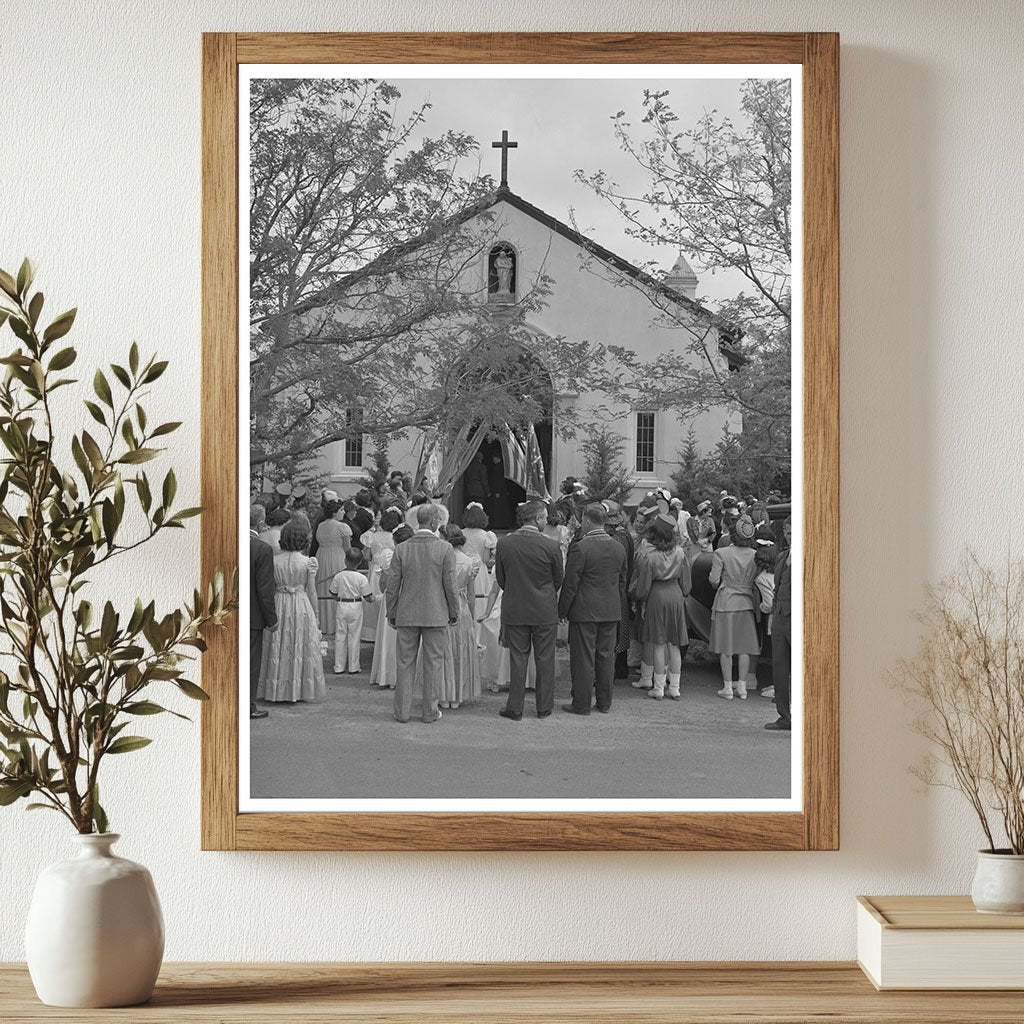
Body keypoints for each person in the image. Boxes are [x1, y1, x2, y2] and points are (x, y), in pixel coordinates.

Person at [384, 504, 458, 724]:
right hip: (436, 612)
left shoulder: (402, 548)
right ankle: (429, 711)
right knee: (433, 663)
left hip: (407, 612)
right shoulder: (445, 549)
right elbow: (450, 585)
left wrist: (392, 611)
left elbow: (392, 585)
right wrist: (454, 611)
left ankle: (402, 712)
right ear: (434, 522)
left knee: (405, 663)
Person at [492, 499, 564, 720]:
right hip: (544, 609)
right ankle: (544, 707)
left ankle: (515, 707)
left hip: (516, 607)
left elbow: (501, 579)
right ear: (537, 518)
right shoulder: (551, 546)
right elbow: (558, 578)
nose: (546, 520)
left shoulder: (505, 543)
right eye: (543, 517)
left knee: (518, 658)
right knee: (545, 658)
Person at [557, 503, 627, 715]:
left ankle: (581, 703)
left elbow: (571, 584)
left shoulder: (581, 547)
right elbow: (622, 581)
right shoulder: (618, 547)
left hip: (585, 610)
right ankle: (605, 703)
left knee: (583, 658)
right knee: (606, 657)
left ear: (587, 521)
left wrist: (562, 611)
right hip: (610, 609)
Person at [258, 518, 326, 703]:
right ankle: (298, 690)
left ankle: (275, 690)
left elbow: (269, 587)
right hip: (301, 604)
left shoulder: (274, 560)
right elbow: (311, 590)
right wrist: (316, 615)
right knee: (299, 644)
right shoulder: (308, 562)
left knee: (278, 644)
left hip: (279, 602)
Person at [630, 514, 691, 701]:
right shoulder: (680, 553)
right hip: (675, 595)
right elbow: (687, 585)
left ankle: (658, 687)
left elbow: (643, 588)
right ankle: (675, 688)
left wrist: (636, 598)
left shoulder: (650, 557)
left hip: (656, 596)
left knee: (658, 643)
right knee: (674, 644)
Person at [708, 515, 760, 700]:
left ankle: (728, 687)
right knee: (744, 648)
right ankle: (743, 687)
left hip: (725, 602)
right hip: (746, 603)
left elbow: (714, 581)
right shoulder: (755, 555)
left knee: (726, 648)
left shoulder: (721, 553)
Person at [440, 525, 482, 708]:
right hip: (462, 606)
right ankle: (457, 695)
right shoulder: (469, 561)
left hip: (442, 606)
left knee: (443, 650)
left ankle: (443, 694)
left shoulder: (440, 559)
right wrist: (472, 616)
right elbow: (471, 594)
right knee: (460, 650)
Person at [369, 524, 413, 689]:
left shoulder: (387, 557)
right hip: (409, 598)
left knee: (389, 638)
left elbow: (383, 586)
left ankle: (388, 675)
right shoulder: (413, 555)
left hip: (392, 600)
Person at [249, 505, 276, 720]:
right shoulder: (262, 549)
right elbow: (265, 589)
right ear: (260, 522)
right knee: (250, 661)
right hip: (253, 614)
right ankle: (248, 704)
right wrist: (272, 619)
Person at [766, 518, 792, 732]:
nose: (790, 536)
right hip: (780, 617)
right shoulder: (782, 557)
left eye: (794, 532)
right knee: (780, 667)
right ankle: (784, 717)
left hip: (798, 618)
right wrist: (773, 615)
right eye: (788, 532)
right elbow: (777, 589)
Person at [329, 548, 374, 674]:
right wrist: (375, 599)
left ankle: (339, 666)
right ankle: (353, 666)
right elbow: (368, 596)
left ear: (345, 561)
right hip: (356, 605)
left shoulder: (339, 576)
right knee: (354, 636)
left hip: (342, 604)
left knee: (340, 635)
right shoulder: (361, 578)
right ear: (360, 562)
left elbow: (333, 592)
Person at [313, 500, 352, 634]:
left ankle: (323, 623)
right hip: (337, 557)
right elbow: (348, 549)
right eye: (341, 510)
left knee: (324, 588)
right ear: (334, 512)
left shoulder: (320, 525)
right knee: (336, 588)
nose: (344, 512)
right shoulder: (342, 527)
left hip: (322, 557)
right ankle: (337, 625)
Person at [462, 502, 497, 621]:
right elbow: (486, 559)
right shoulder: (486, 535)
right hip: (480, 572)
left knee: (464, 597)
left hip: (463, 569)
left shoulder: (461, 534)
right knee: (480, 600)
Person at [754, 543, 778, 699]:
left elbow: (768, 604)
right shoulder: (778, 573)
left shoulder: (761, 578)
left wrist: (761, 607)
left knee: (779, 653)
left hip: (774, 618)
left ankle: (780, 686)